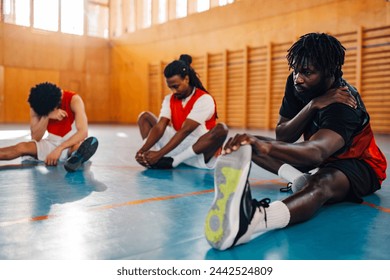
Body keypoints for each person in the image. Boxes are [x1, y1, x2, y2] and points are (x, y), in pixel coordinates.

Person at [204, 33, 387, 250]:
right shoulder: (298, 84)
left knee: (322, 183)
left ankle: (255, 220)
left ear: (330, 73)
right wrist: (312, 105)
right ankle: (298, 180)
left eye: (307, 72)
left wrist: (267, 145)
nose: (298, 78)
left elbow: (316, 152)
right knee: (247, 145)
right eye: (296, 70)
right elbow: (283, 135)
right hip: (323, 158)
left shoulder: (344, 104)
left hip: (360, 165)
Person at [136, 54, 228, 170]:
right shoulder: (169, 99)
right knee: (145, 116)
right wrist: (143, 150)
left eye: (176, 86)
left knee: (222, 129)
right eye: (171, 88)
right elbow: (160, 126)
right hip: (176, 143)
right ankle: (150, 156)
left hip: (196, 149)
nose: (174, 91)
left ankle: (174, 161)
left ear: (186, 79)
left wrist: (160, 153)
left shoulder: (204, 99)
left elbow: (186, 130)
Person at [0, 82, 98, 172]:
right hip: (51, 142)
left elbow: (83, 132)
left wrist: (59, 149)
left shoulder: (74, 100)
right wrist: (46, 116)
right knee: (21, 147)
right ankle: (72, 157)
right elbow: (35, 137)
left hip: (70, 144)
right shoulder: (37, 105)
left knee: (79, 147)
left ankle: (75, 158)